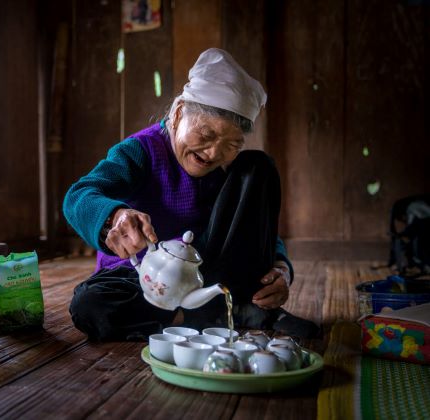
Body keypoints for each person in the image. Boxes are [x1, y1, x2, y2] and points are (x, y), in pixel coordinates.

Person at [63, 48, 319, 342]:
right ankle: (220, 315)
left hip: (204, 276)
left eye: (231, 144)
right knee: (91, 305)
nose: (214, 153)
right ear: (179, 112)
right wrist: (115, 216)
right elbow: (79, 194)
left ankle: (233, 308)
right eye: (206, 135)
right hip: (144, 279)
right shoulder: (142, 150)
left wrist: (281, 269)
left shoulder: (225, 169)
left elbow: (255, 229)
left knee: (258, 167)